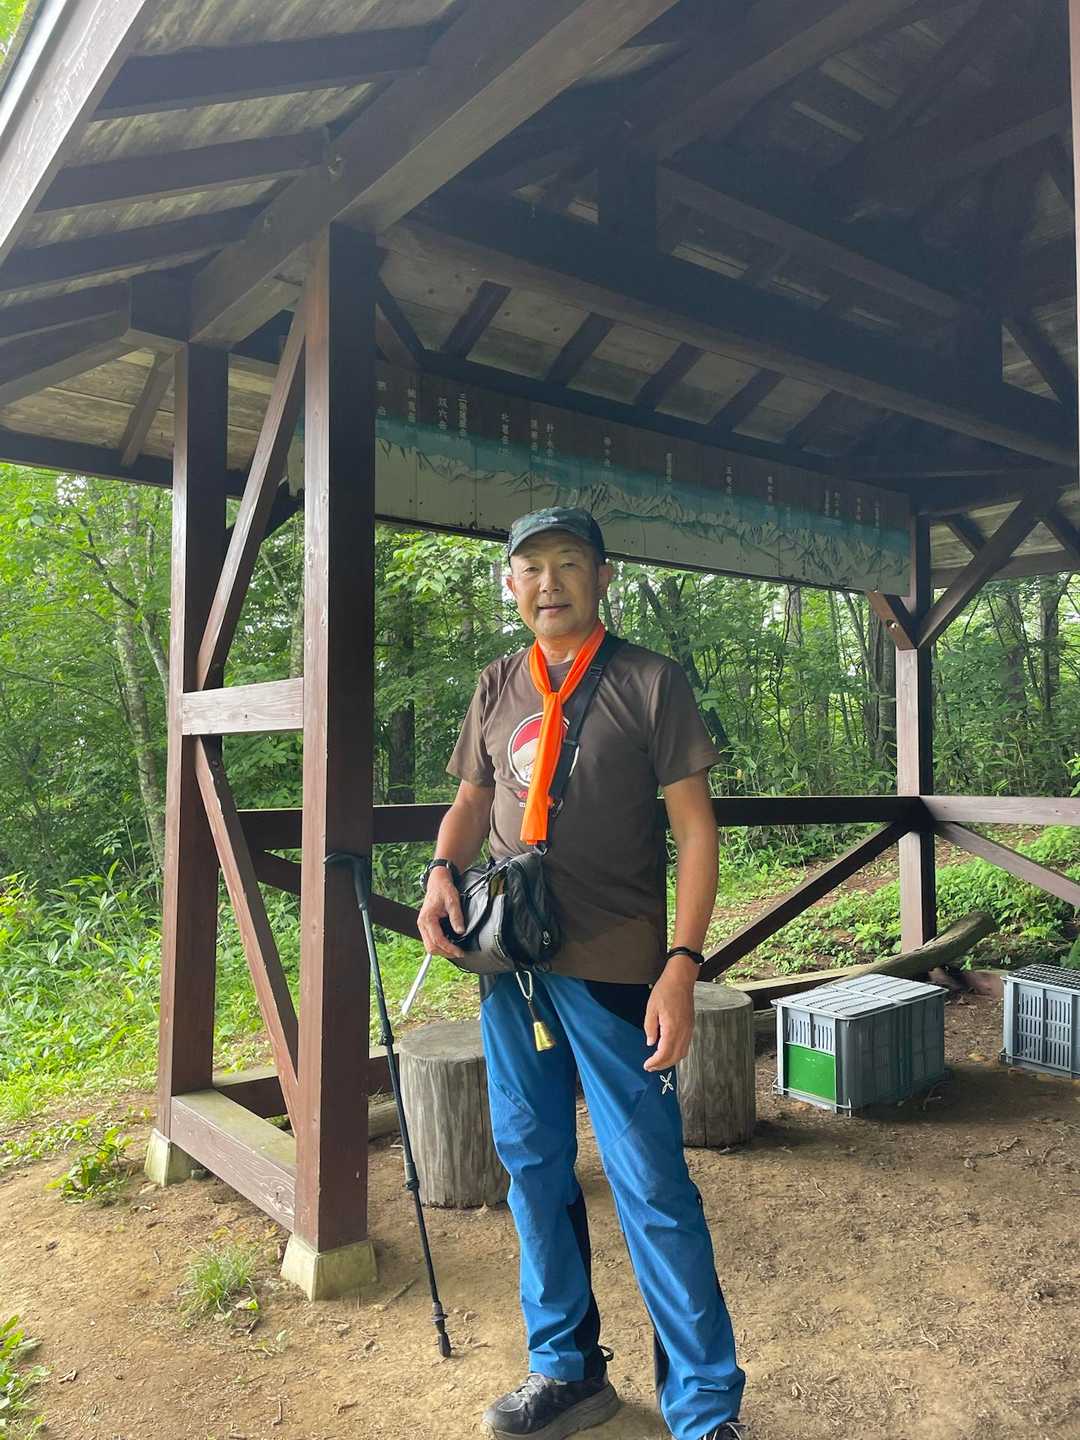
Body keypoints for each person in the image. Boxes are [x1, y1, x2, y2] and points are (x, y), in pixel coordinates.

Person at [417, 507, 746, 1440]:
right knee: (533, 1166)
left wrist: (682, 965)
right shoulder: (497, 684)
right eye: (531, 568)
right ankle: (566, 1369)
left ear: (604, 578)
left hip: (617, 971)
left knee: (649, 1180)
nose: (549, 582)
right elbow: (471, 801)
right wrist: (441, 871)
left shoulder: (650, 681)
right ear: (510, 586)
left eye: (569, 563)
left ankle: (704, 1408)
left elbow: (696, 832)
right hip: (511, 967)